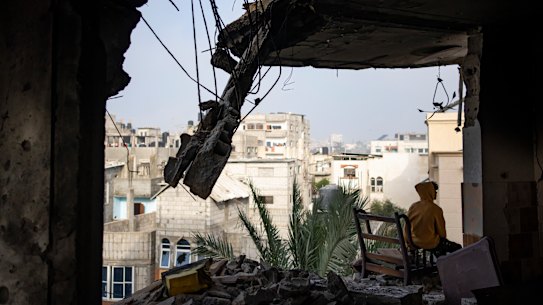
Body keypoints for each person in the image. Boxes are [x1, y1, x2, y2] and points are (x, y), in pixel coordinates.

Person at [404, 181, 461, 258]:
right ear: (430, 191)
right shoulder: (435, 209)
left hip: (414, 241)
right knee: (457, 248)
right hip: (430, 242)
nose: (436, 193)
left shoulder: (413, 206)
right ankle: (444, 266)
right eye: (435, 190)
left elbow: (406, 227)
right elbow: (442, 234)